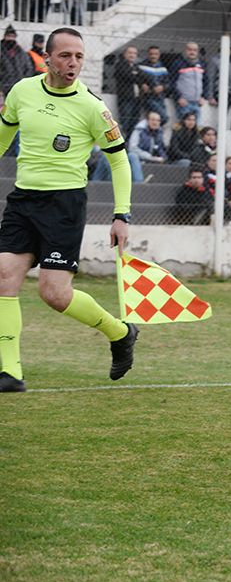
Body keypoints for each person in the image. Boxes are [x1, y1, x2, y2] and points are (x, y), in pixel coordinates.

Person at [0, 27, 140, 393]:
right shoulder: (22, 92)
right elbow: (3, 137)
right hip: (23, 200)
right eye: (65, 55)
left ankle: (120, 332)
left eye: (79, 56)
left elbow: (120, 162)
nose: (73, 63)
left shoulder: (93, 107)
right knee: (4, 278)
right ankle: (10, 373)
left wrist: (121, 215)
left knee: (55, 293)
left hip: (64, 206)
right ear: (47, 58)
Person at [170, 41, 213, 119]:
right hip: (184, 102)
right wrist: (178, 97)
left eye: (194, 50)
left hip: (197, 102)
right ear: (185, 51)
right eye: (190, 50)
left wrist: (203, 97)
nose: (192, 52)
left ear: (197, 52)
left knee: (196, 127)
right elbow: (171, 82)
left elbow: (206, 82)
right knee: (184, 126)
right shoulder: (178, 63)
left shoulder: (202, 64)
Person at [111, 45, 142, 136]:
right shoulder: (120, 65)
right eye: (130, 53)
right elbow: (128, 76)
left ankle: (129, 143)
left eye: (134, 53)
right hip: (126, 98)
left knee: (134, 122)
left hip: (137, 99)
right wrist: (138, 77)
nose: (132, 55)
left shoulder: (136, 66)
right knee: (125, 121)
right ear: (125, 54)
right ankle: (123, 143)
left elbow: (143, 76)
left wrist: (137, 76)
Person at [137, 45, 168, 121]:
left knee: (155, 120)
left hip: (160, 97)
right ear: (148, 54)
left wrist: (162, 87)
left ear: (159, 55)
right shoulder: (141, 66)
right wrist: (142, 84)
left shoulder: (163, 68)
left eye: (156, 54)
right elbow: (136, 79)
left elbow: (168, 83)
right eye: (151, 54)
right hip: (147, 97)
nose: (153, 56)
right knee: (164, 118)